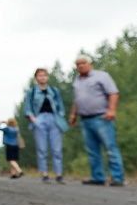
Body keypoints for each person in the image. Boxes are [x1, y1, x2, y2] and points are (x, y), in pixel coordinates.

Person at [69, 54, 125, 186]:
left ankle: (117, 177)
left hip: (101, 117)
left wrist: (112, 110)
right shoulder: (77, 81)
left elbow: (113, 93)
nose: (81, 65)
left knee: (110, 148)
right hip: (85, 119)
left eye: (84, 63)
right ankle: (98, 177)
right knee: (92, 150)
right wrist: (73, 115)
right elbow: (77, 100)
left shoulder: (102, 76)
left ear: (91, 64)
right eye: (78, 64)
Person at [22, 67, 69, 184]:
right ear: (36, 78)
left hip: (54, 119)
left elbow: (60, 107)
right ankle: (44, 174)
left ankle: (59, 174)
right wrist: (34, 119)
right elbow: (27, 108)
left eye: (44, 75)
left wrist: (60, 116)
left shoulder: (54, 90)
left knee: (57, 149)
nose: (42, 77)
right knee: (42, 148)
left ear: (47, 77)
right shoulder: (32, 91)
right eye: (40, 75)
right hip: (40, 118)